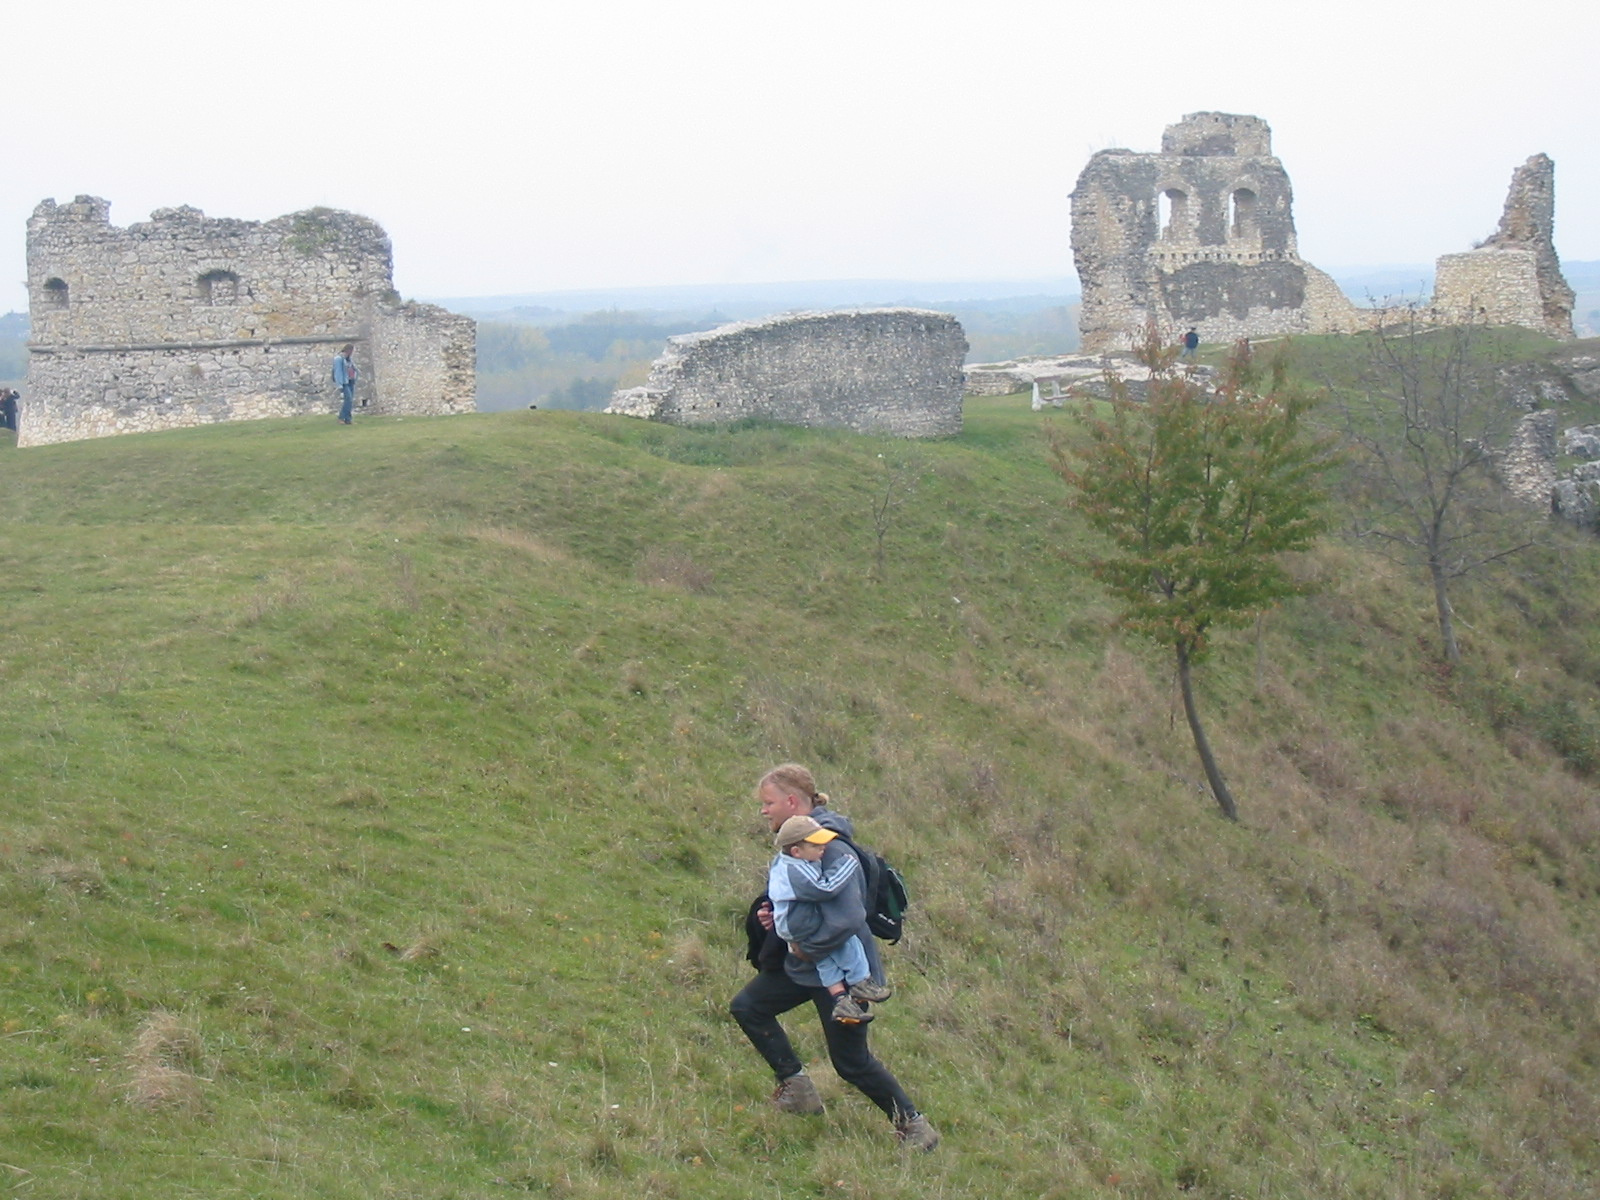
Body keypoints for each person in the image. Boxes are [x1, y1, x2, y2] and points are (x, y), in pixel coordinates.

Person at [730, 763, 939, 1151]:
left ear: (792, 802)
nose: (764, 810)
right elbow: (805, 902)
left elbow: (848, 918)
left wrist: (806, 946)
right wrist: (775, 919)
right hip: (804, 966)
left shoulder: (832, 848)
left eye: (769, 802)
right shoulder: (801, 842)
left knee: (851, 1062)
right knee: (748, 1007)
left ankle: (915, 1127)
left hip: (842, 974)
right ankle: (798, 1089)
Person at [768, 815, 892, 1025]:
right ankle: (861, 981)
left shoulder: (785, 863)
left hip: (790, 925)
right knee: (844, 939)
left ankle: (841, 1000)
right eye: (816, 845)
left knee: (824, 958)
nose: (823, 847)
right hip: (799, 922)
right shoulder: (797, 870)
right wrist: (846, 864)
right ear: (797, 851)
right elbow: (824, 888)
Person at [332, 344, 358, 424]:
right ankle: (341, 417)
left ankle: (348, 419)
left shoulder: (348, 359)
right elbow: (338, 372)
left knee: (349, 401)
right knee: (348, 400)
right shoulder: (339, 359)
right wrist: (339, 384)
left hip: (350, 381)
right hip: (344, 382)